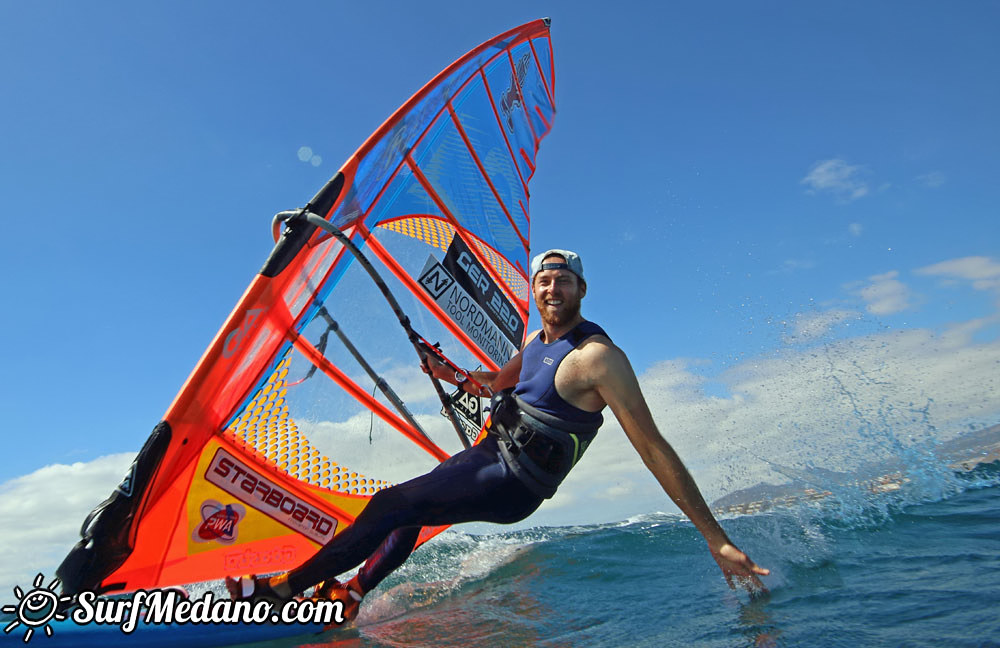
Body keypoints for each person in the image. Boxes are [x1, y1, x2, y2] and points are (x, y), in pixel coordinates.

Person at [227, 249, 769, 619]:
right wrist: (452, 375)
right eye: (543, 280)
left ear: (582, 288)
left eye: (563, 279)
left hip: (513, 481)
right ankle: (350, 594)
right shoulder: (535, 341)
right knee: (411, 510)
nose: (551, 287)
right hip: (486, 455)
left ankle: (281, 593)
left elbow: (652, 447)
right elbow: (493, 383)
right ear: (534, 289)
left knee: (391, 504)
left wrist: (713, 535)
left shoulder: (598, 359)